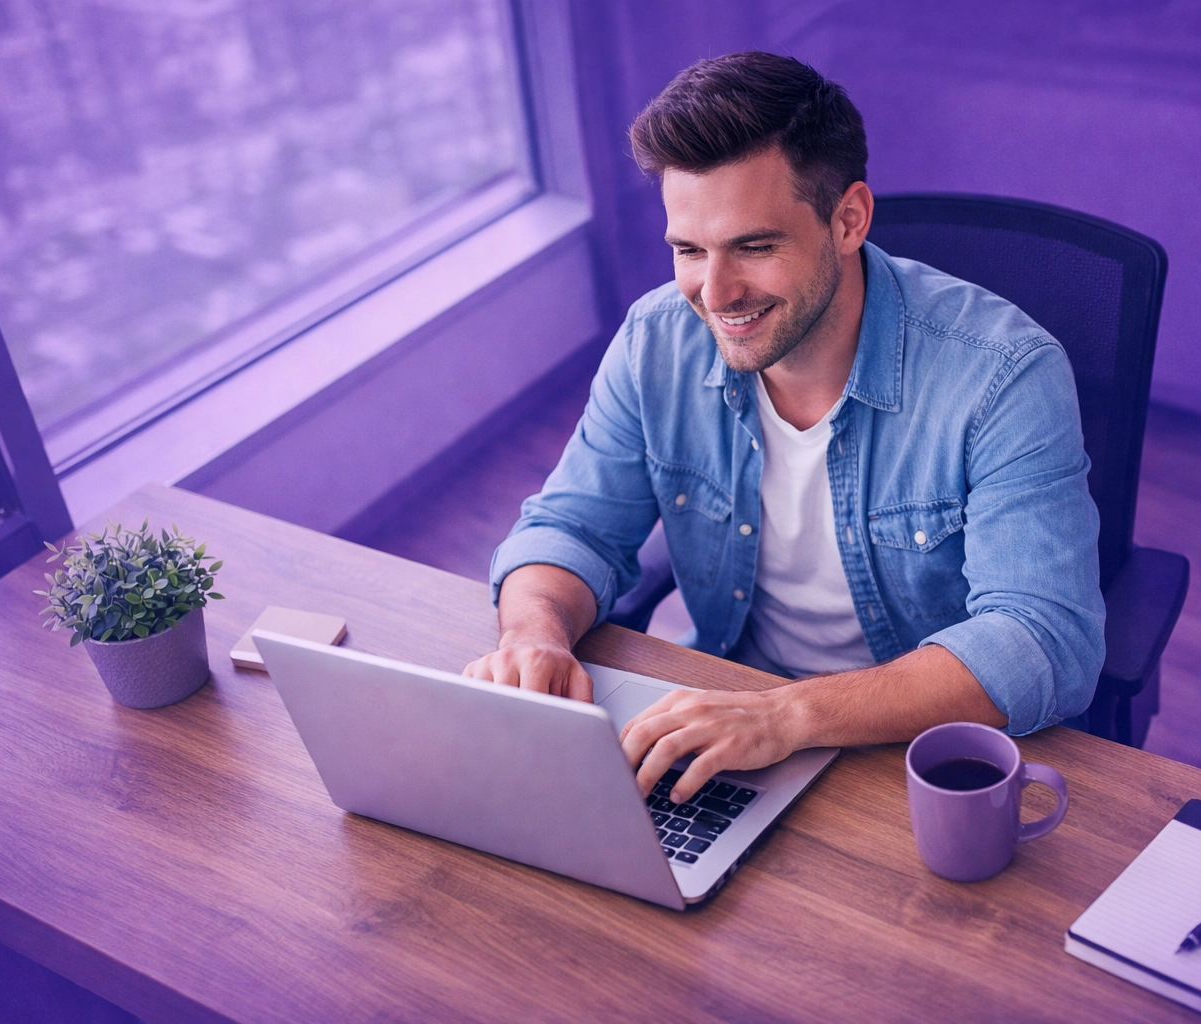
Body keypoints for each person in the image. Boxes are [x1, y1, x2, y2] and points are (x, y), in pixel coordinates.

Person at [464, 52, 1104, 806]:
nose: (716, 292)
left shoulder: (1003, 375)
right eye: (689, 250)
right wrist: (532, 633)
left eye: (755, 247)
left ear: (849, 219)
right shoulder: (656, 342)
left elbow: (1042, 641)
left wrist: (788, 714)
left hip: (917, 756)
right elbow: (570, 527)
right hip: (731, 723)